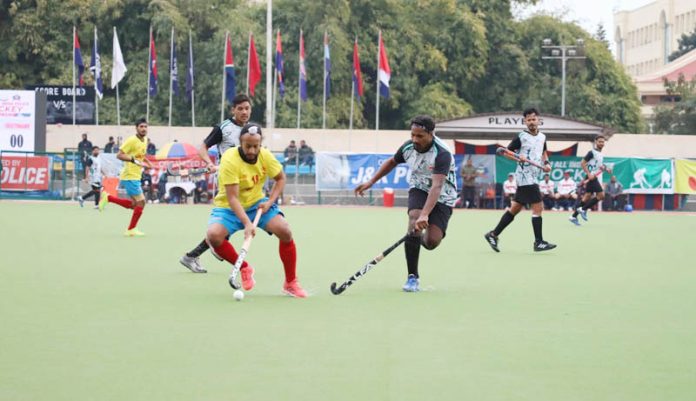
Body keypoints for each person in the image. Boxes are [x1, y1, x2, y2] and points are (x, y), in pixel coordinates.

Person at [355, 115, 457, 292]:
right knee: (413, 219)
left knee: (432, 242)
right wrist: (370, 182)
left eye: (420, 136)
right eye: (413, 135)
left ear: (431, 134)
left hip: (443, 196)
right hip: (419, 187)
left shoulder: (442, 154)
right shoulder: (408, 147)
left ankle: (417, 237)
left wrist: (426, 214)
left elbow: (437, 186)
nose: (415, 140)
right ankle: (412, 277)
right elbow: (391, 162)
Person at [206, 123, 307, 298]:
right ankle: (245, 267)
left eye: (256, 146)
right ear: (240, 142)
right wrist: (247, 224)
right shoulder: (230, 159)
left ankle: (290, 283)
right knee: (213, 236)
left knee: (285, 231)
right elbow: (232, 198)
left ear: (260, 144)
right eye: (248, 146)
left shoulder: (265, 156)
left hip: (257, 204)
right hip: (228, 207)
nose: (252, 150)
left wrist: (269, 202)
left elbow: (281, 178)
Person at [180, 94, 252, 273]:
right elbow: (203, 147)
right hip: (227, 180)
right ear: (233, 110)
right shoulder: (223, 128)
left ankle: (196, 254)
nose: (244, 112)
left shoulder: (251, 129)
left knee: (235, 220)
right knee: (233, 218)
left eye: (247, 108)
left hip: (244, 180)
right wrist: (209, 163)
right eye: (240, 108)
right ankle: (215, 244)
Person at [484, 108, 556, 253]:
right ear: (525, 121)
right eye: (528, 120)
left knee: (515, 209)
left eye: (533, 119)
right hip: (524, 176)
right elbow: (505, 152)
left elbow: (544, 152)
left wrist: (547, 163)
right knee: (538, 207)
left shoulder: (542, 137)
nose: (531, 122)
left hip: (534, 175)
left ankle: (493, 234)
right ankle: (539, 242)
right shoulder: (521, 137)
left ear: (538, 120)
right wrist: (518, 157)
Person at [98, 118, 154, 236]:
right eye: (141, 127)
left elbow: (140, 155)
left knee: (134, 205)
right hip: (130, 175)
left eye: (145, 127)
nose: (144, 129)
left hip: (136, 175)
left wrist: (147, 162)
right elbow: (119, 155)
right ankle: (131, 229)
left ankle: (109, 198)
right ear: (136, 128)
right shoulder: (131, 140)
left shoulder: (144, 140)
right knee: (141, 202)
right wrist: (134, 160)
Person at [570, 135, 611, 226]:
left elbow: (599, 166)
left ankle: (573, 216)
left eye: (603, 142)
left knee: (587, 197)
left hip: (592, 176)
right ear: (596, 142)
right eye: (600, 141)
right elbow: (582, 163)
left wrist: (606, 168)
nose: (601, 143)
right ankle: (583, 209)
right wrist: (589, 174)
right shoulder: (591, 152)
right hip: (591, 176)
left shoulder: (600, 154)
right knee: (601, 195)